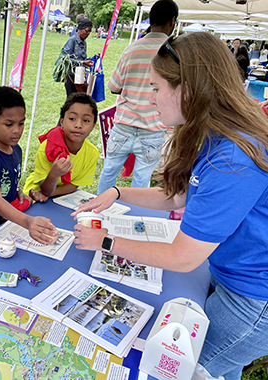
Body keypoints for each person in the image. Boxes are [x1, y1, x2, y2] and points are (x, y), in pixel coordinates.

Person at [73, 32, 268, 380]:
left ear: (187, 90)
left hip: (252, 301)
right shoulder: (215, 134)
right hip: (235, 281)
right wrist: (118, 193)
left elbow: (183, 256)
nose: (150, 98)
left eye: (156, 87)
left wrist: (105, 242)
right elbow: (179, 196)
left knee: (181, 370)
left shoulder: (233, 158)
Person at [97, 0, 178, 194]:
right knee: (141, 179)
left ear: (150, 20)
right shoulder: (174, 54)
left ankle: (97, 212)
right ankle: (134, 218)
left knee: (109, 172)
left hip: (124, 124)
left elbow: (113, 86)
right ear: (172, 21)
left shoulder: (131, 49)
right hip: (153, 128)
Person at [0, 86, 56, 244]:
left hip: (8, 227)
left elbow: (7, 182)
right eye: (9, 124)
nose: (17, 130)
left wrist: (18, 193)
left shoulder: (16, 149)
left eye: (21, 123)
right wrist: (28, 221)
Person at [24, 93, 99, 202]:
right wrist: (54, 174)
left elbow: (74, 185)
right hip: (34, 197)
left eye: (86, 120)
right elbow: (43, 188)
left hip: (60, 198)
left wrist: (49, 194)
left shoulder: (92, 153)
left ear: (93, 126)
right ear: (62, 122)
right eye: (72, 118)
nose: (78, 125)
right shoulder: (47, 147)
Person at [61, 18, 94, 97]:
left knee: (80, 100)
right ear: (81, 29)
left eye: (90, 31)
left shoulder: (84, 42)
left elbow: (82, 58)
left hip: (80, 75)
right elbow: (65, 59)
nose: (88, 34)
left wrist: (91, 59)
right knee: (71, 101)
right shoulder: (72, 41)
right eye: (87, 31)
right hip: (71, 76)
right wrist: (81, 62)